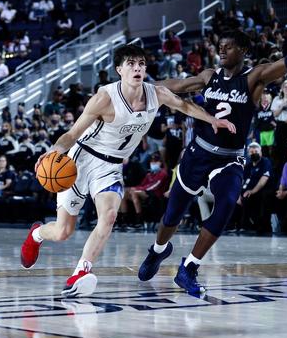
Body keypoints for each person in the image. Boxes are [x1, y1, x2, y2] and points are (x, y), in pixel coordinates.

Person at [137, 3, 287, 295]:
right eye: (220, 46)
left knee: (227, 203)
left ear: (242, 50)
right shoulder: (208, 75)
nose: (221, 51)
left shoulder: (254, 78)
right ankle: (158, 250)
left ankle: (189, 267)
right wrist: (139, 85)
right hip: (198, 152)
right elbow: (176, 85)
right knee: (172, 214)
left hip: (229, 159)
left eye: (228, 47)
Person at [20, 44, 235, 298]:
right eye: (131, 64)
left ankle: (81, 271)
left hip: (111, 166)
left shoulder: (156, 94)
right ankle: (36, 234)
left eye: (141, 64)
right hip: (82, 160)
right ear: (119, 69)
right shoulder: (104, 98)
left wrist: (213, 120)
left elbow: (184, 106)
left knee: (109, 216)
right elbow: (72, 133)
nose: (137, 68)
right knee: (62, 231)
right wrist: (53, 151)